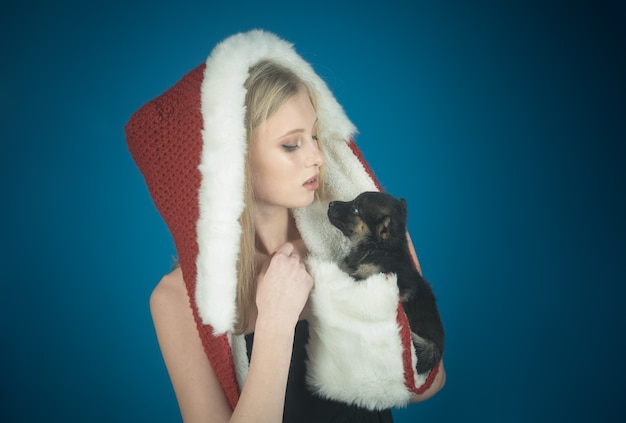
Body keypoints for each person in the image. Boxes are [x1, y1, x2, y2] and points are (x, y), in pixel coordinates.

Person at [126, 30, 445, 422]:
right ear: (232, 160)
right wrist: (276, 322)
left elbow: (426, 384)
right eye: (292, 144)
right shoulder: (177, 302)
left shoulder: (357, 246)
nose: (317, 156)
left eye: (315, 135)